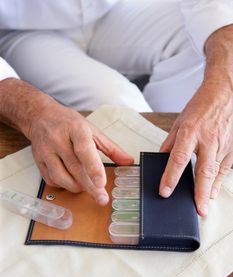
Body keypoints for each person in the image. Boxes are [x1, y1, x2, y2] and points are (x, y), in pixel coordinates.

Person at [0, 0, 233, 217]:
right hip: (23, 27)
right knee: (122, 109)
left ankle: (177, 156)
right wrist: (32, 111)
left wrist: (224, 86)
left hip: (117, 7)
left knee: (205, 56)